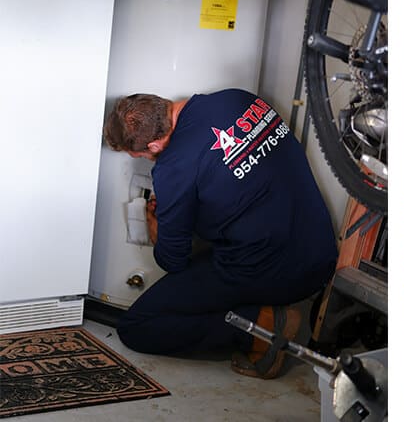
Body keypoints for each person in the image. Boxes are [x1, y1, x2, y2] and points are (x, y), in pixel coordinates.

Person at [103, 90, 337, 380]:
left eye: (138, 154)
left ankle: (260, 331)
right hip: (321, 249)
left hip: (275, 268)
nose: (142, 159)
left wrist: (157, 231)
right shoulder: (237, 98)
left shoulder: (173, 168)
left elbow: (173, 260)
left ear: (154, 144)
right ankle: (265, 310)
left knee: (137, 327)